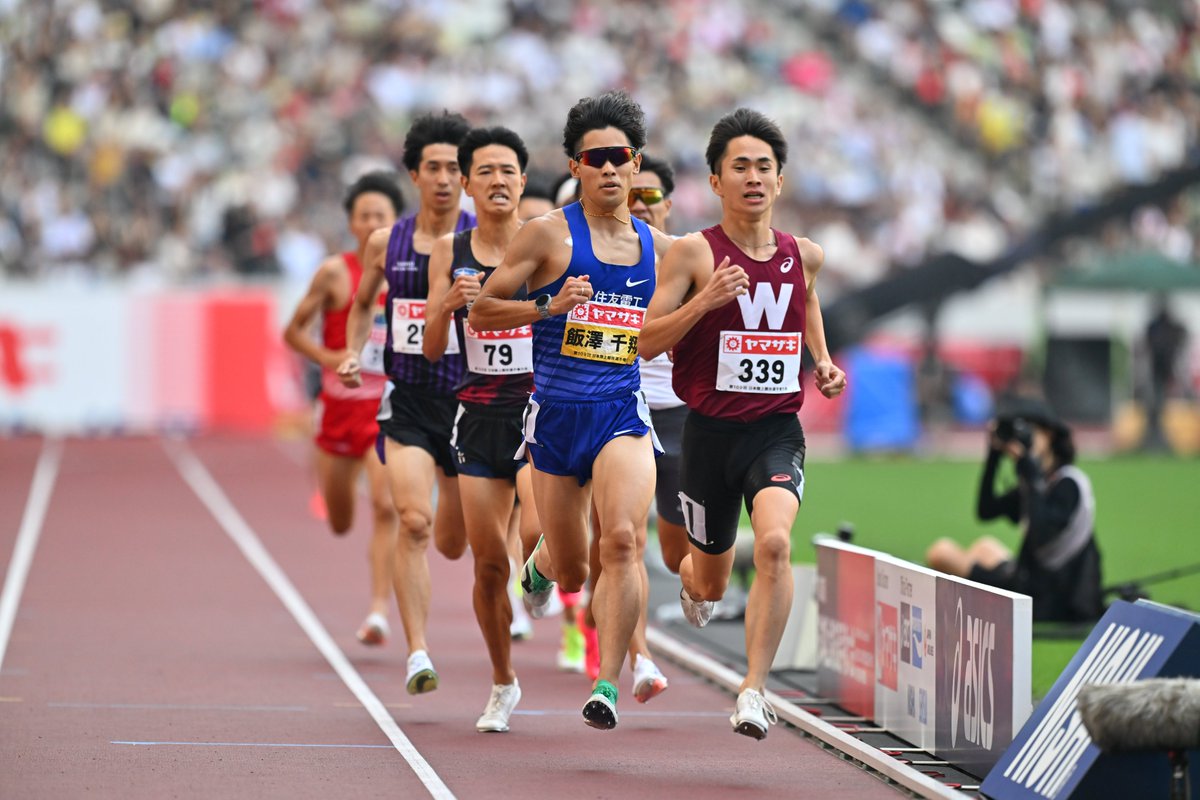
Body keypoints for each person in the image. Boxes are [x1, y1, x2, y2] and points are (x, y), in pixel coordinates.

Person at [639, 108, 847, 740]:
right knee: (706, 579)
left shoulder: (803, 255)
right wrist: (705, 301)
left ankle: (754, 690)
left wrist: (822, 360)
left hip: (775, 431)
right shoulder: (691, 254)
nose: (753, 177)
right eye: (740, 167)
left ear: (779, 181)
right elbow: (644, 342)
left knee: (778, 545)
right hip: (706, 435)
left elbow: (805, 300)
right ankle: (698, 589)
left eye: (764, 167)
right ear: (716, 180)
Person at [469, 90, 673, 730]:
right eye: (597, 157)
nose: (610, 168)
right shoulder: (547, 235)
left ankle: (606, 682)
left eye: (622, 157)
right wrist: (546, 308)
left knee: (623, 540)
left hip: (620, 411)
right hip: (555, 419)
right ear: (577, 165)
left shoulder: (657, 247)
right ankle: (539, 570)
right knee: (574, 568)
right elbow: (481, 309)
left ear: (636, 165)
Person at [338, 112, 475, 696]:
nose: (444, 178)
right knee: (412, 522)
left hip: (470, 404)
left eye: (453, 168)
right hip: (408, 401)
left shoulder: (485, 233)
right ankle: (417, 650)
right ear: (414, 175)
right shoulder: (384, 242)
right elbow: (363, 302)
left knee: (452, 541)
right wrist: (351, 352)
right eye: (433, 168)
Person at [422, 125, 538, 733]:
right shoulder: (450, 249)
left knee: (540, 531)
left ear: (523, 180)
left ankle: (545, 573)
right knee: (488, 563)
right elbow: (433, 348)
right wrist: (447, 304)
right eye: (485, 171)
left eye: (507, 171)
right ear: (467, 183)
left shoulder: (546, 241)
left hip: (538, 412)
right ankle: (503, 683)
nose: (497, 180)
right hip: (476, 417)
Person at [283, 171, 404, 647]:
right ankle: (375, 602)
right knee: (339, 521)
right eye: (364, 216)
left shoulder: (411, 270)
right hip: (337, 412)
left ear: (395, 223)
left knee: (385, 505)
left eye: (382, 216)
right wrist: (331, 358)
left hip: (386, 411)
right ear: (353, 224)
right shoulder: (334, 273)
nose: (372, 222)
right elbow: (293, 332)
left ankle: (378, 610)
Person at [577, 153, 681, 698]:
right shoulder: (601, 254)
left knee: (672, 554)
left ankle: (556, 562)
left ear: (669, 203)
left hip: (683, 416)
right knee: (623, 540)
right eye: (633, 195)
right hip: (619, 408)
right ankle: (637, 656)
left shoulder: (685, 260)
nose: (639, 203)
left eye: (650, 196)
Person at [926, 397, 1103, 623]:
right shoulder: (1035, 482)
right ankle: (969, 605)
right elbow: (986, 511)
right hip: (1030, 580)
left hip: (1051, 600)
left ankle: (966, 609)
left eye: (1029, 430)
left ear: (1048, 434)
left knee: (940, 552)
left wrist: (1030, 470)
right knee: (984, 545)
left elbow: (1041, 535)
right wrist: (993, 455)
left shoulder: (1070, 484)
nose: (1022, 438)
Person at [1144, 296, 1189, 451]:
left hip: (1168, 370)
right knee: (1157, 404)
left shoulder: (1168, 328)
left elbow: (1182, 336)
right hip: (1159, 372)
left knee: (1166, 405)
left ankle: (1164, 438)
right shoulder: (1156, 328)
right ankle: (1157, 438)